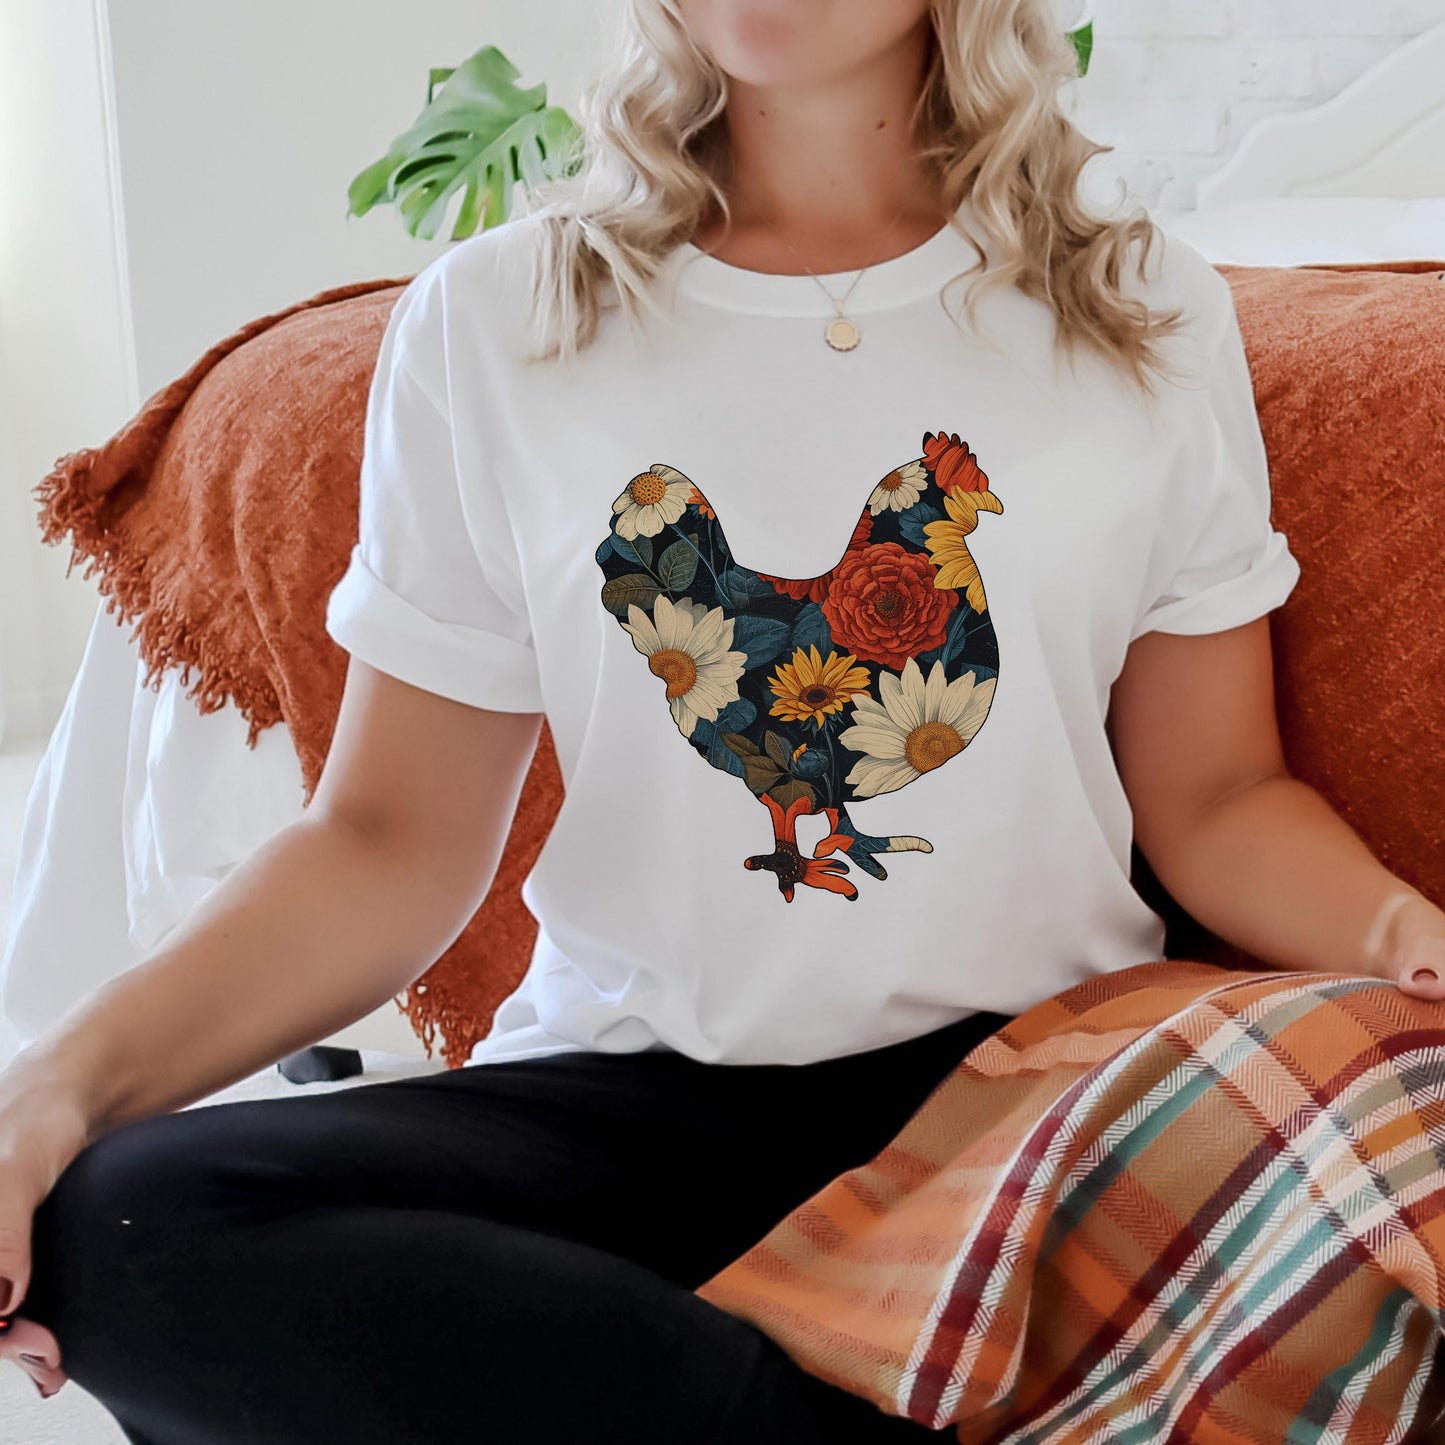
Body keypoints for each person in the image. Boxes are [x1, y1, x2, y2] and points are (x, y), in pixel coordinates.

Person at [3, 0, 1444, 1440]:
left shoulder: (1136, 309)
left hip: (1020, 1095)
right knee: (122, 1226)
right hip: (628, 1104)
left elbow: (1214, 798)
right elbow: (386, 838)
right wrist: (52, 1086)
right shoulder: (503, 316)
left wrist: (1403, 941)